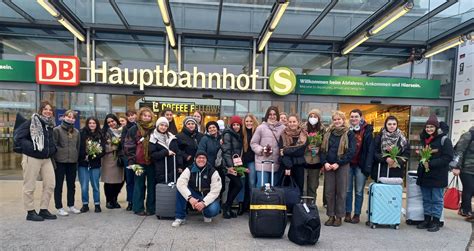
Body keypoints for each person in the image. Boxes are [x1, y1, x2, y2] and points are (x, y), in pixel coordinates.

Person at [14, 101, 58, 221]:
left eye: (50, 109)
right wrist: (33, 148)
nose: (48, 111)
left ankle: (43, 209)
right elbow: (18, 137)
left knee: (50, 184)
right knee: (29, 185)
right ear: (40, 110)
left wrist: (53, 149)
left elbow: (50, 141)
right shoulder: (32, 121)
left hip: (46, 158)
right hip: (32, 157)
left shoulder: (50, 125)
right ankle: (30, 212)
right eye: (45, 109)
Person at [416, 114, 454, 232]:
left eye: (431, 127)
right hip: (425, 175)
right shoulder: (425, 140)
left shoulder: (444, 140)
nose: (429, 129)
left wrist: (431, 163)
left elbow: (448, 157)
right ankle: (427, 220)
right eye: (427, 127)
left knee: (437, 199)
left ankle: (436, 222)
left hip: (438, 176)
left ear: (436, 127)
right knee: (426, 199)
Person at [320, 111, 356, 227]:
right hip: (328, 166)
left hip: (342, 166)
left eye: (339, 119)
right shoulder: (328, 133)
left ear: (343, 120)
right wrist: (324, 162)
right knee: (329, 192)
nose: (337, 121)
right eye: (335, 119)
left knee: (341, 192)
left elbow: (351, 152)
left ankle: (339, 217)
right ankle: (331, 215)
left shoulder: (349, 134)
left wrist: (338, 163)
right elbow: (322, 150)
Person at [171, 151, 222, 227]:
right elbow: (180, 183)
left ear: (206, 160)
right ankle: (180, 217)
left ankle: (206, 214)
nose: (201, 160)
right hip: (194, 195)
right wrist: (190, 198)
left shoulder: (213, 171)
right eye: (199, 158)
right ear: (195, 159)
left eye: (203, 158)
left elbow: (215, 191)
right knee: (180, 188)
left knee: (212, 210)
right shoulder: (189, 169)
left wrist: (203, 203)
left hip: (207, 196)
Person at [124, 107, 156, 216]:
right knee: (139, 185)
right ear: (140, 116)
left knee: (152, 185)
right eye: (144, 115)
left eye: (149, 116)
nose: (147, 117)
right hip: (138, 162)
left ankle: (151, 208)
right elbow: (128, 146)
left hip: (152, 162)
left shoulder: (154, 129)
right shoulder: (134, 129)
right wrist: (131, 161)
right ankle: (138, 208)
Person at [344, 109, 374, 224]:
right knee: (347, 190)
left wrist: (367, 166)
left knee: (359, 191)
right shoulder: (347, 130)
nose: (354, 119)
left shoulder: (367, 130)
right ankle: (347, 212)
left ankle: (356, 214)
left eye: (356, 116)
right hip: (348, 163)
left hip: (360, 165)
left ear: (361, 118)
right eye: (352, 116)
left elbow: (370, 150)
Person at [53, 110, 81, 216]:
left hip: (72, 162)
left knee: (71, 185)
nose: (71, 119)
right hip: (60, 161)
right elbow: (54, 145)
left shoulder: (77, 132)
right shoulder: (57, 130)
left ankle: (71, 205)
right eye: (69, 116)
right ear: (64, 117)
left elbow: (77, 147)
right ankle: (59, 207)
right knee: (58, 185)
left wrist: (75, 157)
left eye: (73, 117)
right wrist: (58, 155)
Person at [251, 106, 285, 186]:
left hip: (276, 163)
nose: (272, 116)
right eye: (270, 114)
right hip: (262, 163)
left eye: (274, 114)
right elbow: (253, 143)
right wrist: (262, 150)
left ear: (277, 115)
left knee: (274, 190)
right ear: (267, 115)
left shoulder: (283, 128)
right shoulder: (261, 128)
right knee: (261, 188)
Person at [78, 117, 106, 213]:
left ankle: (97, 204)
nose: (92, 124)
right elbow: (78, 147)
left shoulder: (101, 134)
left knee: (95, 185)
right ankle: (85, 204)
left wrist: (94, 155)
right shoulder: (81, 133)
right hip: (83, 164)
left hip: (95, 164)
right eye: (90, 123)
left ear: (97, 124)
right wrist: (85, 155)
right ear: (87, 124)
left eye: (94, 123)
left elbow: (103, 150)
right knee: (84, 186)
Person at [372, 115, 410, 181]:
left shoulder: (402, 138)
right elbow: (374, 153)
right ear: (385, 125)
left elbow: (406, 154)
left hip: (396, 172)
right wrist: (386, 159)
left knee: (393, 191)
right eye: (389, 124)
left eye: (394, 124)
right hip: (381, 171)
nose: (392, 126)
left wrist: (397, 161)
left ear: (397, 125)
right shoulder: (379, 137)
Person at [221, 115, 244, 219]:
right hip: (229, 165)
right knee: (238, 185)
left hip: (237, 164)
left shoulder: (238, 135)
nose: (236, 126)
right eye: (234, 124)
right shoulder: (228, 134)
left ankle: (228, 208)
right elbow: (226, 152)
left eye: (238, 124)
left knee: (233, 185)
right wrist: (230, 167)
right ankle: (226, 206)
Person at [279, 114, 307, 193]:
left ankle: (297, 205)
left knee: (299, 188)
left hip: (299, 165)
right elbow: (280, 151)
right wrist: (288, 165)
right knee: (286, 189)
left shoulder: (304, 135)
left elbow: (301, 151)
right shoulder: (283, 134)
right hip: (286, 165)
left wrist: (285, 151)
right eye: (290, 122)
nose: (292, 124)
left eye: (294, 121)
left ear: (298, 122)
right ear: (287, 123)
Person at [102, 114, 125, 209]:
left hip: (120, 159)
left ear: (116, 121)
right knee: (109, 182)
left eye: (113, 121)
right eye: (109, 122)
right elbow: (103, 146)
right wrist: (114, 146)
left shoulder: (123, 130)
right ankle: (109, 201)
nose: (111, 123)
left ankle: (115, 199)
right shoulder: (104, 132)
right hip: (109, 158)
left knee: (120, 181)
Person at [149, 117, 182, 184]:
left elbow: (178, 152)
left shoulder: (171, 137)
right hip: (160, 169)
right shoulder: (153, 138)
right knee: (162, 190)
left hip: (173, 169)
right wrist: (166, 152)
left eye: (165, 126)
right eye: (161, 125)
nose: (163, 127)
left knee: (171, 190)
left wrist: (180, 165)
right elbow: (153, 155)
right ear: (157, 125)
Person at [302, 109, 325, 202]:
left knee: (313, 186)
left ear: (319, 118)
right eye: (311, 116)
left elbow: (326, 144)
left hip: (316, 161)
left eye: (315, 116)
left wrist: (320, 148)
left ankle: (311, 205)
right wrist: (307, 147)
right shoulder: (303, 128)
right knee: (303, 187)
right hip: (304, 160)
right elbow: (299, 144)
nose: (313, 118)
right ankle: (303, 206)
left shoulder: (323, 130)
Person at [452, 126, 474, 221]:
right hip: (466, 169)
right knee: (469, 188)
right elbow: (459, 151)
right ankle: (466, 210)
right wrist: (456, 167)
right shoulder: (468, 135)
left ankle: (463, 208)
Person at [239, 113, 259, 213]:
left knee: (252, 183)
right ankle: (241, 205)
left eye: (250, 121)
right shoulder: (241, 132)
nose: (249, 123)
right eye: (247, 121)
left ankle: (253, 206)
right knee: (242, 183)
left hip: (252, 161)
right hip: (242, 162)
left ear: (254, 121)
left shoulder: (257, 131)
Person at [121, 111, 135, 211]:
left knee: (139, 181)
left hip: (139, 158)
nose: (130, 117)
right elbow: (123, 143)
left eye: (132, 115)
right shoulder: (126, 128)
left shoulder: (140, 126)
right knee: (130, 180)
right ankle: (130, 201)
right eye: (128, 116)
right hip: (129, 158)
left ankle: (138, 200)